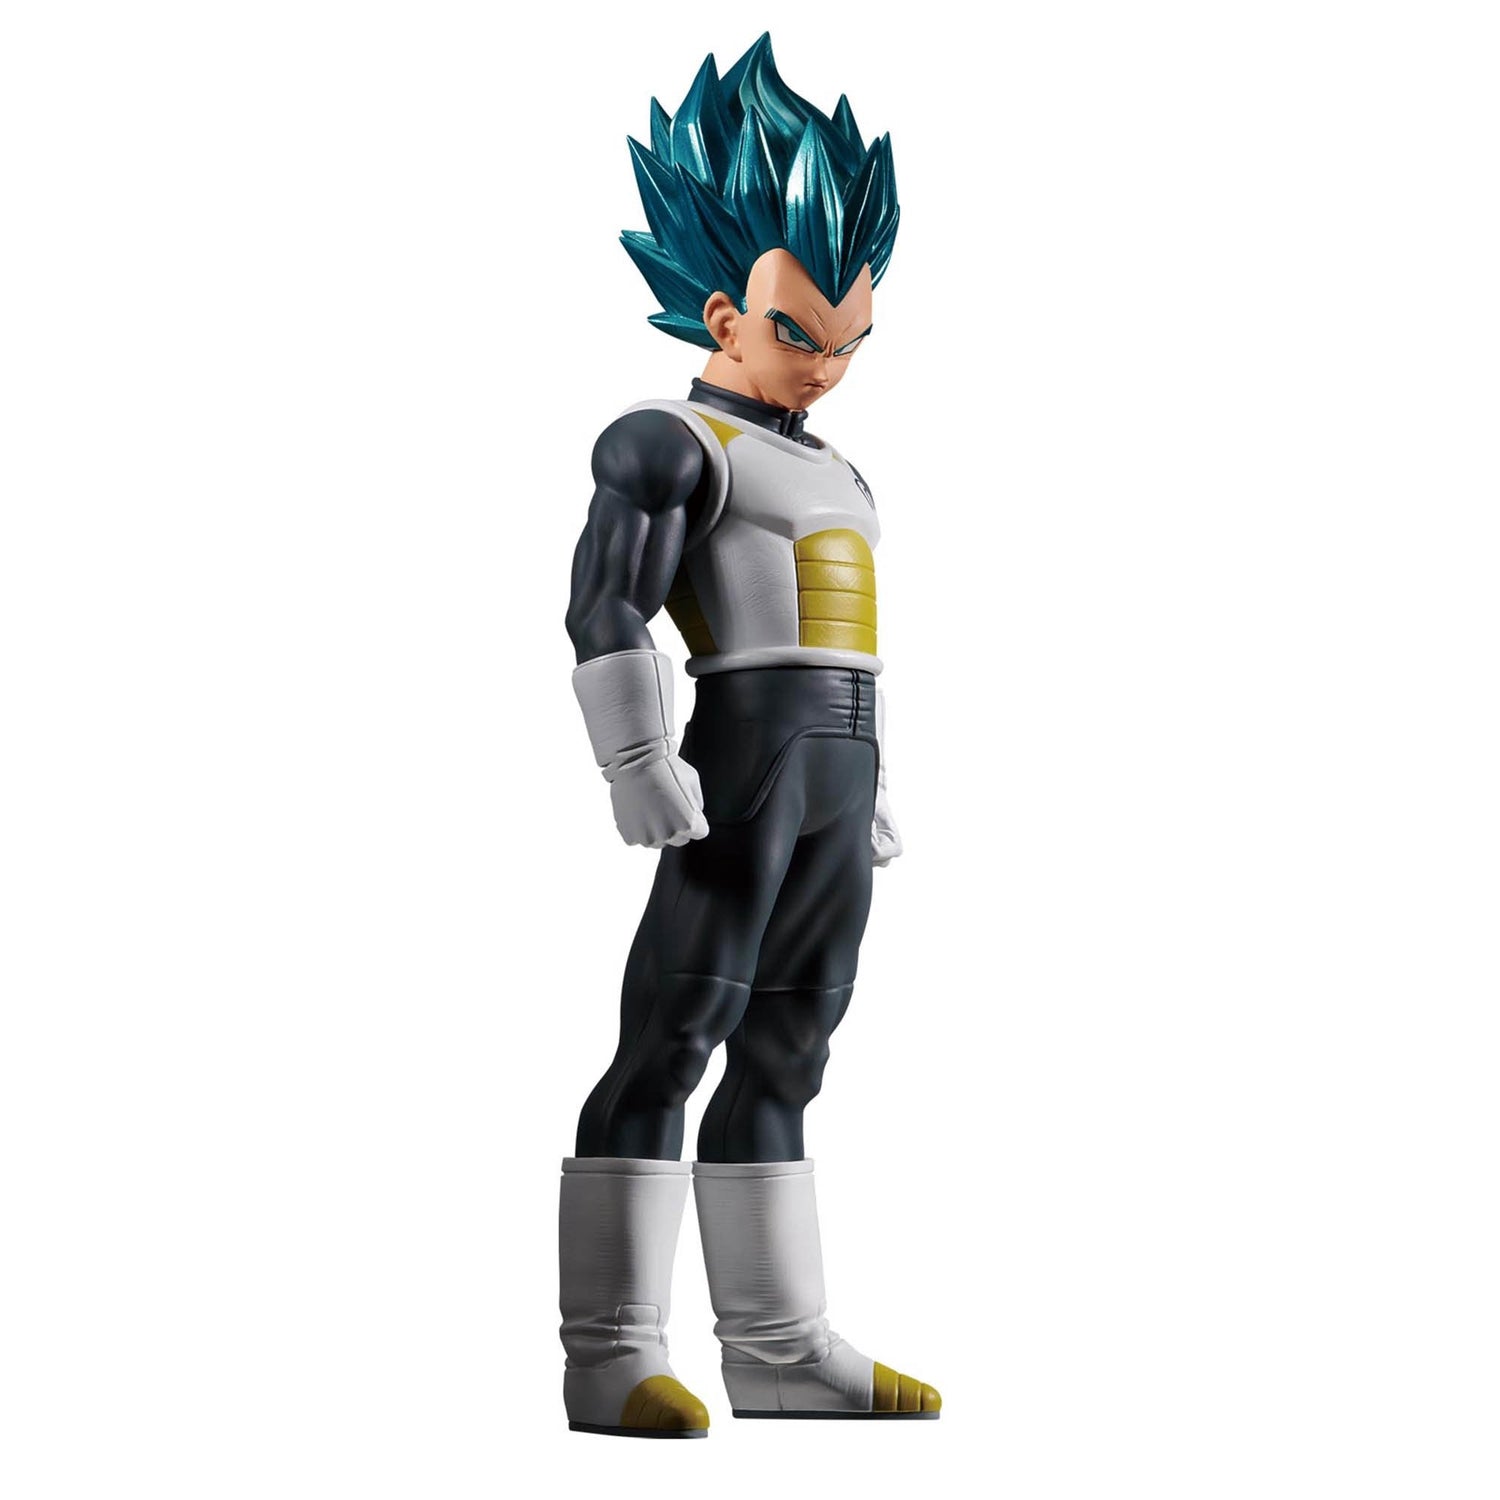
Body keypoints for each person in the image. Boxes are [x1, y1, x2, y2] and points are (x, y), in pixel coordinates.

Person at [559, 34, 940, 1436]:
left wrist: (869, 779)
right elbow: (604, 603)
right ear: (724, 312)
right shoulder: (670, 443)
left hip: (834, 763)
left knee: (793, 1046)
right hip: (739, 764)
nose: (827, 367)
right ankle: (610, 1353)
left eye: (851, 341)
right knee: (676, 1032)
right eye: (800, 336)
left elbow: (843, 640)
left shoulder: (837, 465)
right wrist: (634, 757)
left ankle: (779, 1349)